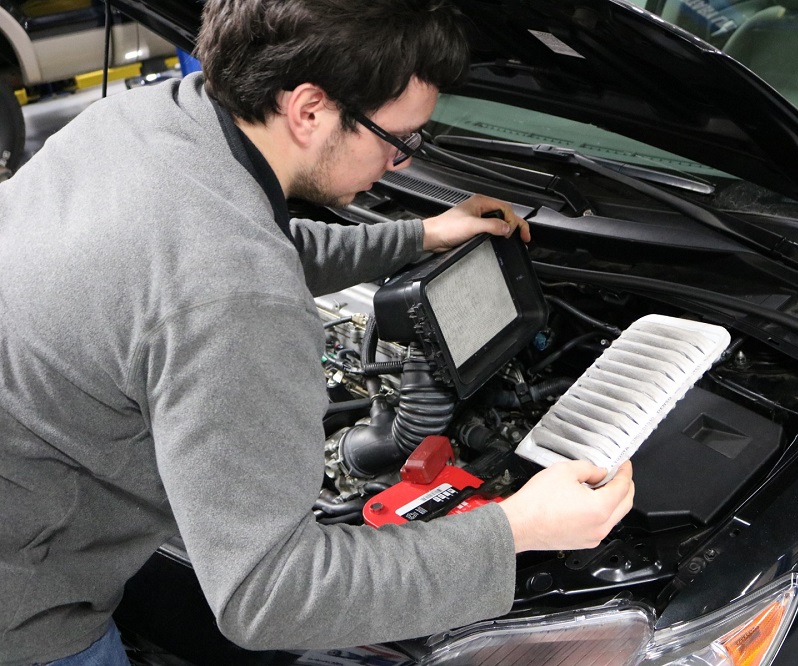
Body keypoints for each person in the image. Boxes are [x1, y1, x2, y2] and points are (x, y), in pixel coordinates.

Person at [0, 0, 635, 663]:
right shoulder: (234, 297)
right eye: (401, 139)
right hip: (28, 610)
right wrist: (515, 528)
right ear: (308, 110)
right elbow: (269, 596)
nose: (400, 165)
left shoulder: (147, 119)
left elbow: (236, 237)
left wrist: (418, 235)